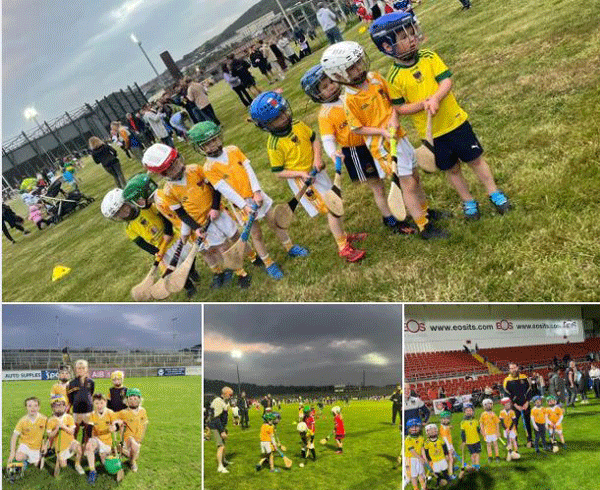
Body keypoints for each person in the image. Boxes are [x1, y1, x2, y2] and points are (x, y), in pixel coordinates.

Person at [371, 12, 511, 219]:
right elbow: (400, 108)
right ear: (387, 47)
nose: (411, 39)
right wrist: (421, 105)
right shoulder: (393, 77)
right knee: (452, 170)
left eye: (411, 33)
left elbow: (446, 82)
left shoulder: (429, 57)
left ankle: (494, 192)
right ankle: (468, 201)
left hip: (456, 122)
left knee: (476, 160)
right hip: (434, 135)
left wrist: (435, 98)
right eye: (403, 37)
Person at [321, 41, 450, 240]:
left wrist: (394, 119)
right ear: (338, 76)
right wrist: (381, 132)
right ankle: (423, 226)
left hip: (399, 136)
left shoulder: (375, 78)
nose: (358, 68)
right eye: (351, 68)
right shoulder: (350, 99)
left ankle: (425, 211)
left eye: (358, 63)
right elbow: (358, 128)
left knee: (415, 177)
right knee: (407, 184)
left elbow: (392, 104)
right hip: (382, 146)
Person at [249, 91, 367, 262]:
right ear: (267, 125)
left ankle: (343, 234)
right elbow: (278, 172)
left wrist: (317, 158)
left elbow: (314, 140)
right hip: (304, 182)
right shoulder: (274, 145)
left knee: (335, 203)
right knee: (332, 209)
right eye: (277, 118)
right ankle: (343, 247)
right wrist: (300, 174)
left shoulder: (297, 124)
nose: (283, 118)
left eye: (283, 112)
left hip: (317, 172)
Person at [301, 64, 415, 235]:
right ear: (317, 95)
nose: (330, 86)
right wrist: (333, 154)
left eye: (330, 82)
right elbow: (327, 139)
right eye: (324, 87)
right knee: (378, 186)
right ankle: (389, 218)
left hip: (373, 142)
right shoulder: (325, 114)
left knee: (394, 176)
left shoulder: (349, 96)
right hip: (356, 152)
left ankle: (403, 207)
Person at [191, 120, 310, 279]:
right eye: (207, 144)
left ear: (219, 137)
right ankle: (268, 262)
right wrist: (244, 205)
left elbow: (249, 169)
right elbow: (225, 190)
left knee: (275, 222)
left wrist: (257, 192)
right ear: (200, 148)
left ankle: (290, 247)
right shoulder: (208, 168)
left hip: (257, 195)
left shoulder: (233, 150)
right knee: (256, 234)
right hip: (242, 205)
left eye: (214, 139)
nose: (213, 145)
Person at [142, 143, 252, 289]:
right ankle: (241, 272)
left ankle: (253, 257)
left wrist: (214, 208)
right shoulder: (169, 191)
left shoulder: (195, 169)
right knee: (223, 248)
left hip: (219, 213)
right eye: (171, 168)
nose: (177, 167)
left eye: (176, 162)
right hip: (203, 223)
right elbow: (181, 213)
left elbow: (216, 187)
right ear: (163, 174)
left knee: (236, 236)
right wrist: (196, 228)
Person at [101, 176, 199, 298]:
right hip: (162, 250)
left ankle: (192, 270)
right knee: (172, 272)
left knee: (188, 257)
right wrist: (156, 252)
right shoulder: (129, 229)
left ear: (128, 202)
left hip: (174, 239)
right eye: (118, 214)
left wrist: (168, 233)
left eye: (123, 208)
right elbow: (141, 243)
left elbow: (165, 217)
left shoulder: (147, 208)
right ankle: (189, 287)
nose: (123, 213)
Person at [46, 395, 85, 476]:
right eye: (56, 406)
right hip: (60, 447)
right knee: (64, 466)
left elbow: (72, 431)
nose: (59, 407)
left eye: (61, 405)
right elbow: (50, 436)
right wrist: (56, 429)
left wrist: (63, 426)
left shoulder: (69, 417)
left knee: (79, 448)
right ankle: (60, 458)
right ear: (52, 407)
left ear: (65, 406)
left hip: (70, 443)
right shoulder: (50, 420)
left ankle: (77, 464)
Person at [84, 393, 119, 484]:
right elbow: (89, 430)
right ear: (93, 403)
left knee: (105, 463)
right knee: (89, 446)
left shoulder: (110, 413)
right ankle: (92, 471)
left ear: (105, 402)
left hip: (107, 442)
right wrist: (90, 441)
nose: (99, 406)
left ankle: (101, 454)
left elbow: (117, 425)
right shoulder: (92, 414)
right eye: (96, 403)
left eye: (101, 403)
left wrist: (115, 427)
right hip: (97, 439)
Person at [8, 397, 48, 469]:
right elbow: (14, 437)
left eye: (35, 406)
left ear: (39, 407)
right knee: (18, 457)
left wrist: (45, 445)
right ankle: (22, 458)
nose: (33, 408)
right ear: (26, 408)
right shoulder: (22, 421)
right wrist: (12, 453)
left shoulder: (44, 419)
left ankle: (27, 460)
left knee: (36, 464)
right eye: (29, 406)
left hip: (36, 447)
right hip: (25, 445)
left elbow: (48, 434)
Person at [116, 388, 148, 472]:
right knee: (131, 444)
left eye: (135, 398)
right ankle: (132, 462)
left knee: (134, 450)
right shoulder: (123, 412)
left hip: (137, 439)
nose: (133, 401)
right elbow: (111, 417)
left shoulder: (143, 411)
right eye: (130, 399)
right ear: (126, 400)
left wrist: (141, 438)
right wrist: (118, 422)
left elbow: (145, 424)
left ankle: (128, 455)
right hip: (127, 439)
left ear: (139, 400)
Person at [503, 361, 533, 447]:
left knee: (527, 423)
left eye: (514, 368)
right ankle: (514, 442)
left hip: (525, 405)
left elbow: (529, 391)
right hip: (514, 407)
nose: (512, 370)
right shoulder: (507, 380)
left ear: (517, 368)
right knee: (513, 424)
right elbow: (507, 395)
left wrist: (527, 402)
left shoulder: (524, 377)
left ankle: (529, 440)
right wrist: (515, 405)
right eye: (511, 368)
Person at [67, 359, 94, 445]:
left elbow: (91, 393)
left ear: (86, 369)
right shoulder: (71, 383)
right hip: (76, 411)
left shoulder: (91, 382)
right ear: (75, 369)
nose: (81, 370)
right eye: (79, 368)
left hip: (88, 410)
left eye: (83, 368)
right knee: (75, 430)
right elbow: (70, 398)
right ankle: (73, 447)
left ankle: (85, 446)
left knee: (88, 430)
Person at [208, 386, 234, 474]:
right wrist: (222, 431)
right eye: (230, 394)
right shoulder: (218, 401)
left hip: (220, 426)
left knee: (223, 444)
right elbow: (216, 418)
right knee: (220, 446)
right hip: (215, 426)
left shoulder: (223, 401)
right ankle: (220, 466)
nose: (231, 396)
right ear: (225, 393)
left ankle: (224, 460)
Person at [404, 418, 426, 490]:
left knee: (421, 473)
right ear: (408, 428)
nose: (414, 429)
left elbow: (422, 448)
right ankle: (416, 488)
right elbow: (412, 451)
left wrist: (424, 458)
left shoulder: (421, 438)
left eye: (416, 426)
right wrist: (420, 458)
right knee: (413, 476)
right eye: (412, 427)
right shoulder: (408, 439)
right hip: (411, 459)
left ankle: (423, 487)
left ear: (419, 428)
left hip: (419, 458)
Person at [460, 402, 481, 471]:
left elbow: (478, 430)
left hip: (477, 440)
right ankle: (473, 464)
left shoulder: (475, 420)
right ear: (465, 412)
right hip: (469, 441)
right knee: (473, 454)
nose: (469, 412)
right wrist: (463, 441)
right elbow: (462, 433)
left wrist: (483, 433)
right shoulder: (463, 422)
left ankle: (477, 465)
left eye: (470, 410)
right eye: (467, 411)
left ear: (473, 411)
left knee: (477, 453)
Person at [479, 398, 500, 463]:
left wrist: (498, 432)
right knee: (488, 445)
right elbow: (481, 423)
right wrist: (482, 431)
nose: (488, 406)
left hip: (494, 432)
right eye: (486, 405)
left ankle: (497, 456)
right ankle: (490, 456)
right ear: (484, 406)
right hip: (487, 433)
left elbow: (497, 423)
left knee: (495, 444)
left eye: (490, 404)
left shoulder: (494, 414)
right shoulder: (483, 414)